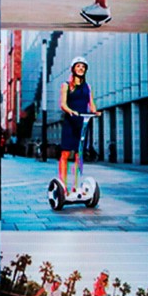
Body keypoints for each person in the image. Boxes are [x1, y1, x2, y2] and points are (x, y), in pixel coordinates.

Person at [59, 57, 100, 194]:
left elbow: (91, 103)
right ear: (73, 69)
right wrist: (71, 111)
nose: (81, 68)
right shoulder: (66, 85)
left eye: (83, 66)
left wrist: (95, 111)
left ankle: (75, 186)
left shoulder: (87, 87)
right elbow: (63, 104)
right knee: (65, 153)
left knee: (79, 155)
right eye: (78, 66)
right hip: (70, 121)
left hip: (82, 122)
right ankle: (63, 186)